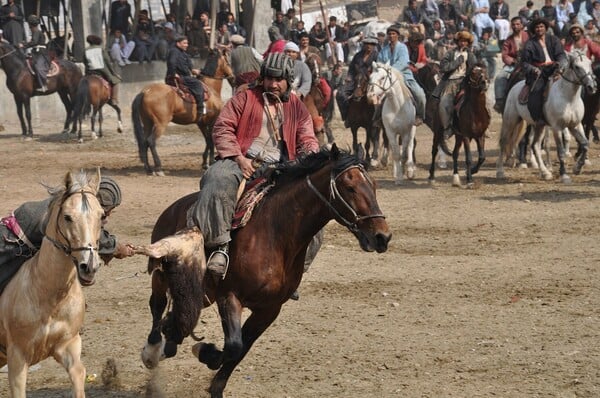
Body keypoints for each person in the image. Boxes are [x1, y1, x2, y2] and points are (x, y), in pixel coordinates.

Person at [189, 52, 319, 275]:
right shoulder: (245, 98)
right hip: (241, 160)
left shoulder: (296, 106)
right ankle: (220, 246)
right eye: (269, 78)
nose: (273, 84)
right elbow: (222, 128)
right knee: (217, 180)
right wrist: (239, 158)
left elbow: (307, 137)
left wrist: (307, 157)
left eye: (278, 79)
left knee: (314, 201)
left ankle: (297, 265)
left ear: (288, 79)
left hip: (283, 166)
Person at [0, 176, 135, 293]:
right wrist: (118, 248)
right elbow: (90, 239)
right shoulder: (71, 211)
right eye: (109, 210)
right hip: (10, 244)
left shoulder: (74, 204)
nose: (109, 214)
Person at [433, 30, 477, 149]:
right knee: (444, 104)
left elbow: (474, 67)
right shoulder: (450, 53)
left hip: (466, 83)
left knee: (481, 101)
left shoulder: (471, 54)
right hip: (451, 82)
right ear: (457, 42)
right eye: (461, 41)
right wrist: (458, 61)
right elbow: (444, 68)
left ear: (468, 43)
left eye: (465, 41)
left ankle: (483, 127)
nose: (463, 43)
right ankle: (447, 128)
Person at [521, 18, 568, 126]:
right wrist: (533, 69)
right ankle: (538, 118)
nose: (539, 29)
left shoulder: (554, 39)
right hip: (539, 73)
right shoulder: (529, 44)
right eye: (537, 27)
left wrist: (560, 65)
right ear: (534, 29)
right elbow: (524, 63)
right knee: (536, 91)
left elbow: (561, 55)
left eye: (541, 26)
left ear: (546, 28)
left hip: (555, 69)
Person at [377, 25, 427, 126]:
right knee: (375, 94)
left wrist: (389, 70)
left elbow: (403, 62)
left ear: (397, 36)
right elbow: (379, 62)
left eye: (393, 34)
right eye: (389, 34)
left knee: (420, 94)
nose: (391, 36)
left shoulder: (403, 47)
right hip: (387, 78)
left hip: (404, 75)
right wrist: (383, 70)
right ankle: (378, 117)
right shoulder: (384, 50)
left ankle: (420, 115)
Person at [336, 35, 379, 127]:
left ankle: (377, 119)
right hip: (356, 80)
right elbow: (351, 68)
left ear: (374, 45)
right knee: (340, 94)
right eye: (367, 43)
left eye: (371, 44)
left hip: (371, 81)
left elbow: (378, 69)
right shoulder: (358, 55)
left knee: (376, 99)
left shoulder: (377, 56)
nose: (369, 46)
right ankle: (347, 116)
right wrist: (349, 77)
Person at [494, 16, 529, 113]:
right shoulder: (508, 40)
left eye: (518, 24)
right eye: (513, 24)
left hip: (529, 63)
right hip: (514, 65)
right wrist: (513, 61)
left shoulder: (528, 36)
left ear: (522, 25)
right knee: (500, 77)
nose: (515, 26)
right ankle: (500, 101)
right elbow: (505, 55)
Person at [166, 35, 205, 116]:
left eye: (187, 43)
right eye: (184, 43)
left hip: (185, 75)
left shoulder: (183, 53)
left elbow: (188, 66)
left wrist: (194, 70)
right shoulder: (174, 51)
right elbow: (171, 62)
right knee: (197, 83)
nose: (186, 45)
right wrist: (173, 74)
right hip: (180, 77)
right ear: (178, 44)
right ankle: (200, 108)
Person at [84, 35, 122, 105]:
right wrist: (114, 73)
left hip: (90, 71)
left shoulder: (86, 50)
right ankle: (114, 99)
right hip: (101, 70)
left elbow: (85, 62)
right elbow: (107, 61)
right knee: (116, 81)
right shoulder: (101, 49)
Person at [23, 15, 49, 92]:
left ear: (30, 24)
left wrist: (24, 45)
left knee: (38, 67)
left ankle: (44, 85)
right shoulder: (35, 32)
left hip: (41, 53)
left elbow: (34, 42)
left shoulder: (36, 32)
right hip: (36, 53)